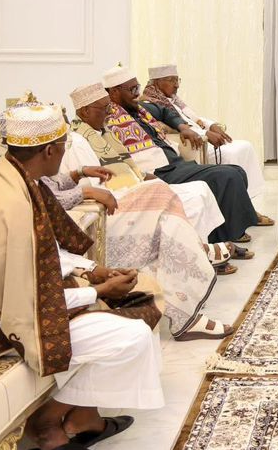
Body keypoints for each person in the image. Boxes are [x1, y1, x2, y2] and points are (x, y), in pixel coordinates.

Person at [0, 102, 165, 450]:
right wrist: (98, 292)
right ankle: (47, 424)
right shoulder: (11, 205)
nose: (65, 153)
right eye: (64, 146)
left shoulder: (15, 179)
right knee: (133, 336)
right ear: (48, 151)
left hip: (18, 300)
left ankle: (85, 417)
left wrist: (94, 271)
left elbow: (44, 254)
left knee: (144, 300)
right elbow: (27, 298)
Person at [43, 83, 236, 340]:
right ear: (86, 111)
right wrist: (85, 191)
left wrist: (79, 174)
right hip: (94, 218)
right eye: (103, 109)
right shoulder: (76, 142)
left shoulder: (94, 135)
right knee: (161, 195)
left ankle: (187, 311)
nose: (110, 113)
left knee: (167, 217)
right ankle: (197, 265)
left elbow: (54, 185)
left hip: (109, 200)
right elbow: (54, 197)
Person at [102, 65, 263, 257]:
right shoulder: (108, 118)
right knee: (227, 176)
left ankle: (224, 234)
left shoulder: (139, 109)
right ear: (114, 92)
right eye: (132, 89)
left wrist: (183, 127)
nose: (137, 93)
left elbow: (165, 112)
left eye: (137, 88)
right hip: (158, 171)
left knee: (237, 171)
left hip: (174, 163)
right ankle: (226, 239)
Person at [142, 63, 270, 211]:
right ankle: (234, 205)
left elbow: (191, 119)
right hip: (194, 144)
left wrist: (211, 125)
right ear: (157, 82)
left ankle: (247, 201)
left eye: (177, 80)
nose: (176, 85)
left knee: (245, 146)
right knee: (231, 155)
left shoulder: (173, 100)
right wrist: (205, 134)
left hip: (200, 135)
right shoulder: (150, 103)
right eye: (171, 80)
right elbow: (173, 129)